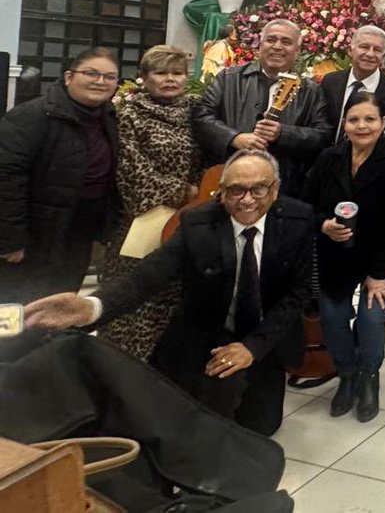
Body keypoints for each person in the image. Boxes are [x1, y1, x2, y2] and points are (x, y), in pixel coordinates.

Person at [25, 150, 313, 437]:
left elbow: (296, 294)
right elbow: (147, 277)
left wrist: (253, 347)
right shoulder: (197, 223)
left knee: (261, 427)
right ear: (222, 192)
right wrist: (93, 306)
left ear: (274, 189)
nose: (247, 200)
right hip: (207, 332)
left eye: (258, 189)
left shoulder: (298, 221)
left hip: (265, 334)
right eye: (236, 190)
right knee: (198, 423)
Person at [302, 92, 385, 423]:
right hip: (335, 256)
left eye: (369, 119)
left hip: (379, 259)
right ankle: (346, 374)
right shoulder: (328, 160)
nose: (362, 126)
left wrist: (379, 274)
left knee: (371, 318)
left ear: (383, 124)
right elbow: (305, 206)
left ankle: (369, 376)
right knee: (333, 319)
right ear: (344, 124)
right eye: (354, 119)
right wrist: (324, 225)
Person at [98, 45, 202, 361]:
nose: (170, 79)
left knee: (172, 297)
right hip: (140, 222)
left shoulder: (195, 111)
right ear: (144, 78)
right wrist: (183, 191)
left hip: (187, 221)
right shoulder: (127, 114)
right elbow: (130, 168)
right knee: (134, 300)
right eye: (161, 72)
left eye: (177, 73)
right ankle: (119, 372)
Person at [0, 47, 121, 308]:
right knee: (20, 310)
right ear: (68, 77)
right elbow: (6, 178)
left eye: (110, 77)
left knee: (60, 303)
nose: (100, 82)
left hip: (79, 232)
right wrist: (10, 240)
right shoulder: (32, 115)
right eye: (91, 73)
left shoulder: (109, 117)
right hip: (35, 235)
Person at [193, 19, 331, 197]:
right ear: (260, 44)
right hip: (229, 185)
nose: (277, 46)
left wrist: (283, 134)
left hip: (284, 190)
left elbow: (323, 135)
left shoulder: (310, 90)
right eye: (271, 40)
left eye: (286, 42)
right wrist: (234, 138)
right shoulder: (228, 78)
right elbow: (201, 118)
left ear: (297, 51)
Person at [319, 25, 385, 153]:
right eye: (364, 47)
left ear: (383, 57)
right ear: (351, 50)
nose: (370, 54)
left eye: (377, 50)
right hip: (327, 166)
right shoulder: (330, 83)